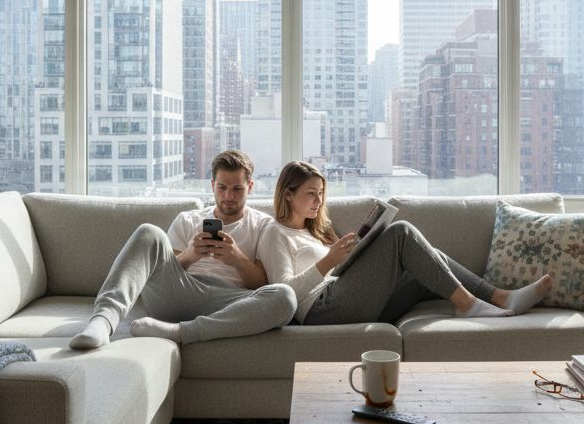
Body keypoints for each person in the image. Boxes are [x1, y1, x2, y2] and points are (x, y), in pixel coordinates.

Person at [258, 161, 552, 326]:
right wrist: (329, 261)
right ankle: (468, 304)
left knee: (427, 260)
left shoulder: (316, 229)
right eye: (311, 193)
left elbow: (340, 270)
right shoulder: (276, 233)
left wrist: (354, 252)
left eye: (321, 193)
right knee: (401, 232)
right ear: (287, 195)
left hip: (345, 295)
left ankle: (500, 297)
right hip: (319, 310)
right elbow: (284, 296)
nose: (318, 200)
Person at [69, 150, 296, 350]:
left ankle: (179, 332)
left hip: (228, 302)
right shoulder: (188, 219)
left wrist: (236, 258)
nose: (229, 196)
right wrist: (190, 255)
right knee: (148, 232)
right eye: (222, 188)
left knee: (285, 297)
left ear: (250, 187)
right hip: (181, 292)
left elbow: (262, 285)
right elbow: (161, 272)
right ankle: (102, 323)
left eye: (237, 189)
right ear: (212, 185)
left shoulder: (264, 225)